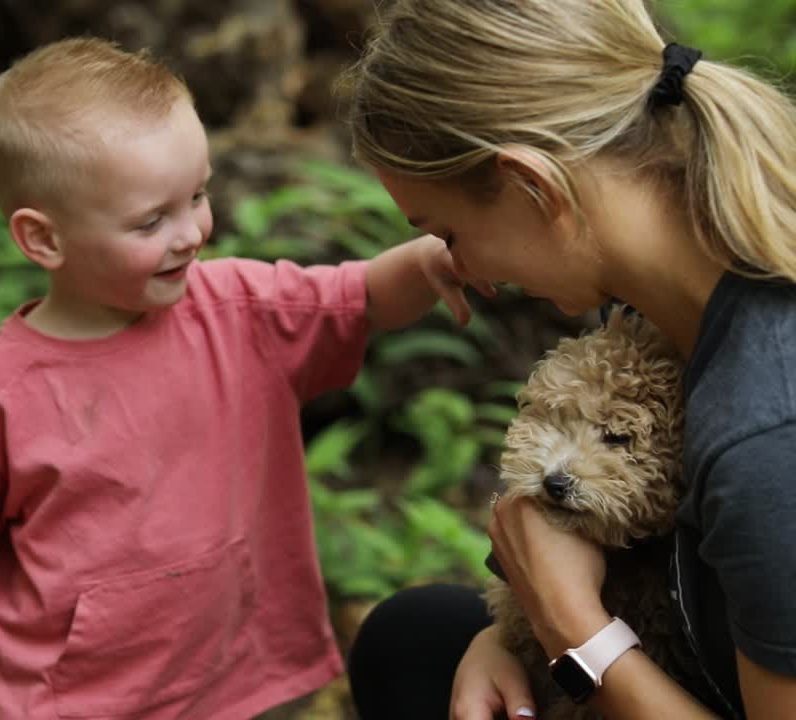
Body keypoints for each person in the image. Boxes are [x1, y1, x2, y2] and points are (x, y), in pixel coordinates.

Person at [0, 36, 490, 719]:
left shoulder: (239, 310)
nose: (191, 232)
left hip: (232, 667)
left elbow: (361, 297)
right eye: (151, 220)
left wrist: (431, 256)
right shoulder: (6, 382)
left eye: (197, 195)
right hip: (76, 694)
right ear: (43, 239)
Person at [340, 0, 796, 718]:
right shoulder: (666, 287)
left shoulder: (768, 426)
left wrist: (569, 630)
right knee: (418, 636)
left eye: (449, 234)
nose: (462, 269)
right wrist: (512, 636)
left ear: (533, 185)